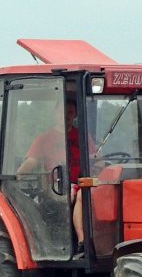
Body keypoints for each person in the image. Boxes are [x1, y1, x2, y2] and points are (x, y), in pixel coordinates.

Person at [16, 98, 93, 252]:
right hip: (56, 185)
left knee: (90, 191)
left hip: (82, 181)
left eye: (70, 112)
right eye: (63, 112)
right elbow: (31, 163)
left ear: (76, 115)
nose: (67, 115)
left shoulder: (83, 136)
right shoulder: (44, 139)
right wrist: (16, 176)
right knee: (79, 194)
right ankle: (83, 243)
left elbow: (96, 159)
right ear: (55, 114)